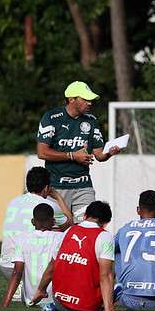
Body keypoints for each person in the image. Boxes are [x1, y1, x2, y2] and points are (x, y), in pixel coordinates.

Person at [36, 81, 121, 222]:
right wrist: (72, 156)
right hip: (56, 187)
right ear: (71, 99)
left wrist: (110, 152)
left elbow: (99, 155)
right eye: (85, 99)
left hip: (83, 186)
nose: (90, 103)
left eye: (90, 100)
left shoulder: (91, 120)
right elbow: (42, 152)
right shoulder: (52, 118)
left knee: (90, 226)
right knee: (58, 229)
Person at [31, 201, 124, 311]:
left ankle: (54, 305)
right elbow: (106, 276)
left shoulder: (68, 231)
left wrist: (41, 290)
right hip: (85, 307)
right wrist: (109, 310)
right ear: (105, 223)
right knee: (115, 280)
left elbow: (52, 266)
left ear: (85, 216)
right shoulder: (105, 236)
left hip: (59, 302)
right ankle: (103, 306)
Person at [0, 167, 71, 287]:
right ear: (47, 188)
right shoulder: (49, 205)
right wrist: (58, 197)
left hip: (5, 266)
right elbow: (69, 224)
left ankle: (21, 287)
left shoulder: (13, 202)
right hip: (29, 269)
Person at [0, 204, 64, 310]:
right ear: (53, 221)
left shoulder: (22, 239)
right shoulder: (61, 238)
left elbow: (17, 272)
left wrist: (5, 304)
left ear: (33, 222)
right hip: (54, 299)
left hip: (30, 300)